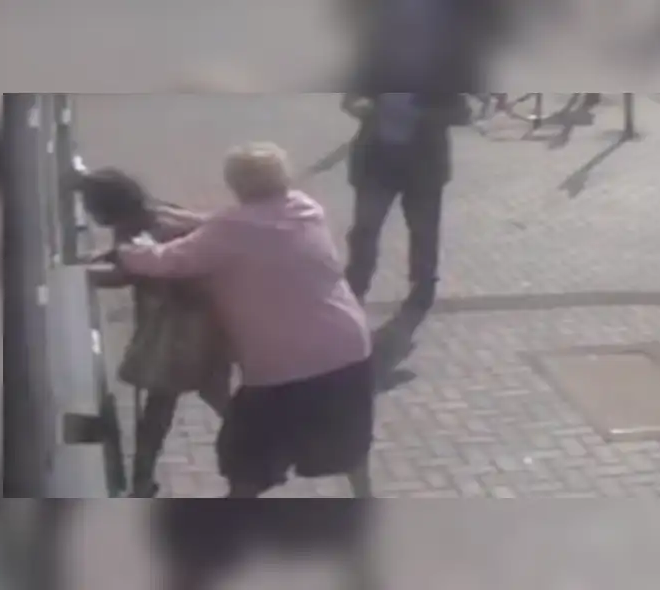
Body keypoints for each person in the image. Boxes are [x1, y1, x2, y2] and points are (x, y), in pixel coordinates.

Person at [114, 142, 375, 498]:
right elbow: (249, 224)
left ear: (236, 184)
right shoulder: (305, 208)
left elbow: (165, 262)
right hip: (347, 349)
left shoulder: (229, 232)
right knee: (346, 443)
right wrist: (193, 221)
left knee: (247, 463)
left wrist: (130, 250)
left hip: (284, 366)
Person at [80, 168, 232, 497]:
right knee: (208, 395)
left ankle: (143, 479)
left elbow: (130, 272)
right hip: (205, 323)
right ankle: (254, 443)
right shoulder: (154, 213)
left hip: (181, 331)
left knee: (162, 407)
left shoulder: (143, 233)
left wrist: (75, 275)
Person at [342, 92, 470, 311]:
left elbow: (462, 114)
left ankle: (422, 285)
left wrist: (421, 116)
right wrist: (358, 107)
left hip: (423, 167)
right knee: (365, 228)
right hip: (377, 163)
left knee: (423, 231)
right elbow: (349, 100)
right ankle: (356, 284)